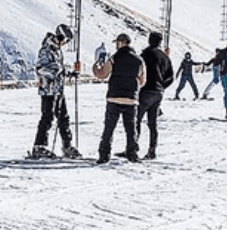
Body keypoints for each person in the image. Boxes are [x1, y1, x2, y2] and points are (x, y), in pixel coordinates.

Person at [30, 24, 82, 159]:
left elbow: (59, 70)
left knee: (63, 117)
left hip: (58, 89)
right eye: (65, 40)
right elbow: (40, 69)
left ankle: (67, 145)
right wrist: (57, 71)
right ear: (59, 36)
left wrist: (71, 74)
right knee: (47, 117)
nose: (65, 43)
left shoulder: (57, 50)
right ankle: (39, 146)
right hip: (48, 89)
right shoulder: (46, 50)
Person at [93, 33, 146, 163]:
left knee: (109, 128)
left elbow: (102, 74)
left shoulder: (114, 58)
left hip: (114, 98)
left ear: (122, 43)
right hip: (131, 99)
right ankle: (132, 154)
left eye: (117, 42)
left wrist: (95, 67)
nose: (116, 45)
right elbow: (142, 81)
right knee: (130, 129)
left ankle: (104, 155)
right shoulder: (139, 60)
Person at [137, 32, 174, 159]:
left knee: (136, 120)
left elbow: (138, 72)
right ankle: (152, 150)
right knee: (152, 123)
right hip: (158, 92)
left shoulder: (145, 54)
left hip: (145, 90)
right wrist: (161, 87)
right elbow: (170, 77)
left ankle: (132, 149)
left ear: (149, 40)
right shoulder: (165, 57)